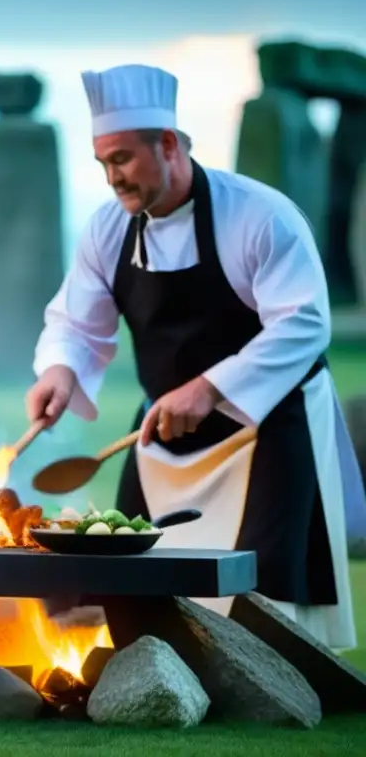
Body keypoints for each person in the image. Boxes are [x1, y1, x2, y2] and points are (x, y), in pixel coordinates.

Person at [25, 64, 363, 651]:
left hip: (267, 426)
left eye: (123, 159)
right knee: (125, 574)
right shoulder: (106, 230)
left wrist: (209, 387)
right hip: (162, 434)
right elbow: (76, 322)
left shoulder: (261, 215)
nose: (112, 177)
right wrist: (59, 369)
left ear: (169, 144)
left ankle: (282, 689)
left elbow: (305, 323)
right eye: (103, 162)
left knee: (265, 593)